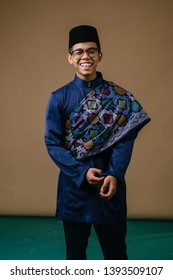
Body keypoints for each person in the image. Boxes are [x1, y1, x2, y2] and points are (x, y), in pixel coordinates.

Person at [45, 25, 150, 260]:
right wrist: (82, 173)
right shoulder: (59, 97)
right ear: (70, 58)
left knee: (115, 256)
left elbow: (125, 140)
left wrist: (114, 174)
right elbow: (53, 143)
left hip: (109, 186)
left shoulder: (119, 98)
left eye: (92, 51)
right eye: (79, 52)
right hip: (75, 188)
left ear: (100, 56)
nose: (86, 57)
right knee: (75, 257)